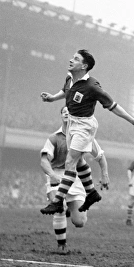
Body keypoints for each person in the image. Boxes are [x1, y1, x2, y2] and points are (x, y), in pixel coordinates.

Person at [40, 49, 134, 215]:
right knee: (79, 162)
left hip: (84, 126)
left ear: (84, 66)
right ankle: (92, 193)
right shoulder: (69, 78)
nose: (71, 60)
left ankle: (58, 201)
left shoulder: (92, 87)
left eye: (76, 59)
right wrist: (52, 98)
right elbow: (65, 91)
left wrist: (132, 120)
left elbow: (113, 105)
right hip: (72, 124)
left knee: (70, 162)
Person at [40, 106, 110, 253]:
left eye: (69, 111)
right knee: (58, 207)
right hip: (57, 174)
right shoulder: (54, 138)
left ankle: (69, 210)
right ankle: (61, 246)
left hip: (76, 177)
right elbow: (44, 161)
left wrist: (104, 175)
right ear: (61, 116)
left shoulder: (84, 136)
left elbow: (101, 156)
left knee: (80, 222)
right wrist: (52, 175)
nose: (66, 113)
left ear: (74, 115)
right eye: (63, 112)